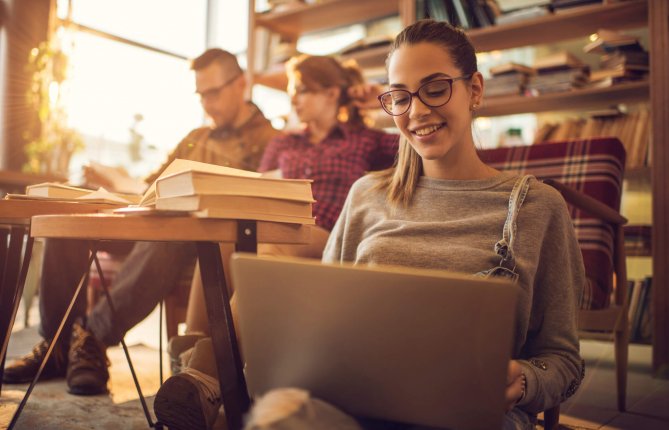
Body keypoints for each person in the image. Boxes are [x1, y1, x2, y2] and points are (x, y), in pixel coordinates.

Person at [242, 19, 586, 430]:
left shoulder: (537, 207)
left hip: (469, 418)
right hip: (357, 404)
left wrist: (525, 380)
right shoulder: (366, 196)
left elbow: (563, 361)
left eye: (436, 89)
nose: (417, 111)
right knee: (276, 418)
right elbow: (321, 331)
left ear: (474, 90)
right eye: (400, 97)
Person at [3, 48, 278, 396]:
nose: (207, 103)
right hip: (153, 220)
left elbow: (255, 204)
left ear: (241, 84)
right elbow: (152, 184)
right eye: (200, 94)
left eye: (214, 93)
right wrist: (119, 182)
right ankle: (59, 346)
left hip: (203, 237)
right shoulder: (196, 135)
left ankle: (90, 340)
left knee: (170, 232)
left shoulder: (272, 141)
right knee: (73, 215)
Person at [152, 54, 399, 430]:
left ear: (332, 92)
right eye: (291, 92)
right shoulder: (284, 142)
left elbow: (417, 145)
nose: (294, 99)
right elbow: (258, 188)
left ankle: (203, 371)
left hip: (325, 235)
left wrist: (384, 97)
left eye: (302, 90)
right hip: (273, 226)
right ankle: (191, 370)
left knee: (270, 248)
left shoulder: (366, 140)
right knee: (218, 241)